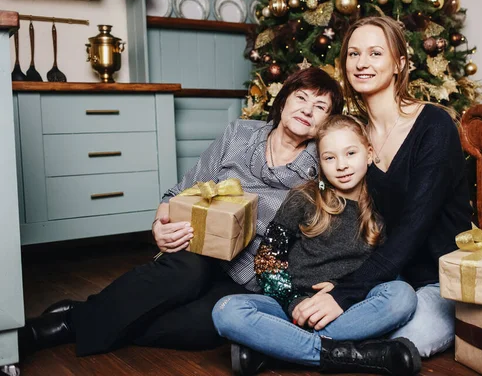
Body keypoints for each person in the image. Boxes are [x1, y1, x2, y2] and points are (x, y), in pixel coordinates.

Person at [18, 67, 344, 357]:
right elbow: (181, 190)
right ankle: (57, 327)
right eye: (301, 98)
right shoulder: (240, 134)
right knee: (186, 275)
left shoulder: (321, 170)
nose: (307, 110)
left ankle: (77, 316)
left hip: (251, 276)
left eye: (320, 107)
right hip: (200, 248)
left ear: (326, 124)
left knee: (203, 329)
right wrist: (160, 225)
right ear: (284, 99)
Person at [292, 16, 473, 359]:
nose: (362, 63)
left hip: (440, 280)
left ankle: (284, 348)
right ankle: (305, 344)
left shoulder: (434, 125)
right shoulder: (353, 138)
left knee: (401, 344)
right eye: (353, 54)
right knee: (355, 330)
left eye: (376, 53)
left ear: (399, 64)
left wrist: (345, 293)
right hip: (387, 280)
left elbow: (414, 227)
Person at [212, 115, 421, 376]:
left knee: (402, 295)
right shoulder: (304, 198)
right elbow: (267, 260)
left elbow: (385, 270)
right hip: (290, 308)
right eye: (330, 158)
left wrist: (345, 293)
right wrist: (293, 302)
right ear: (320, 163)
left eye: (351, 153)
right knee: (226, 311)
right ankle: (354, 355)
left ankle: (279, 350)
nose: (342, 165)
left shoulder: (382, 208)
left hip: (347, 309)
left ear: (368, 154)